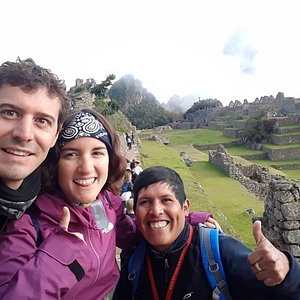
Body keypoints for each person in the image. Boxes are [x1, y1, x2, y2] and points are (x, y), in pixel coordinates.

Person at [0, 110, 218, 299]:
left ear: (110, 159)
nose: (86, 168)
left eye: (97, 153)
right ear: (55, 164)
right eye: (71, 154)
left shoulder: (107, 205)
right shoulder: (28, 224)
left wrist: (183, 217)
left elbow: (134, 236)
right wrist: (58, 255)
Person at [114, 166, 300, 300]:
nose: (156, 211)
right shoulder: (134, 264)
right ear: (135, 211)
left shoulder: (220, 251)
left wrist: (287, 273)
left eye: (166, 200)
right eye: (145, 202)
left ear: (185, 208)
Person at [0, 57, 70, 230]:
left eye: (42, 121)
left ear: (55, 136)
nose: (24, 135)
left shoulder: (54, 205)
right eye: (9, 113)